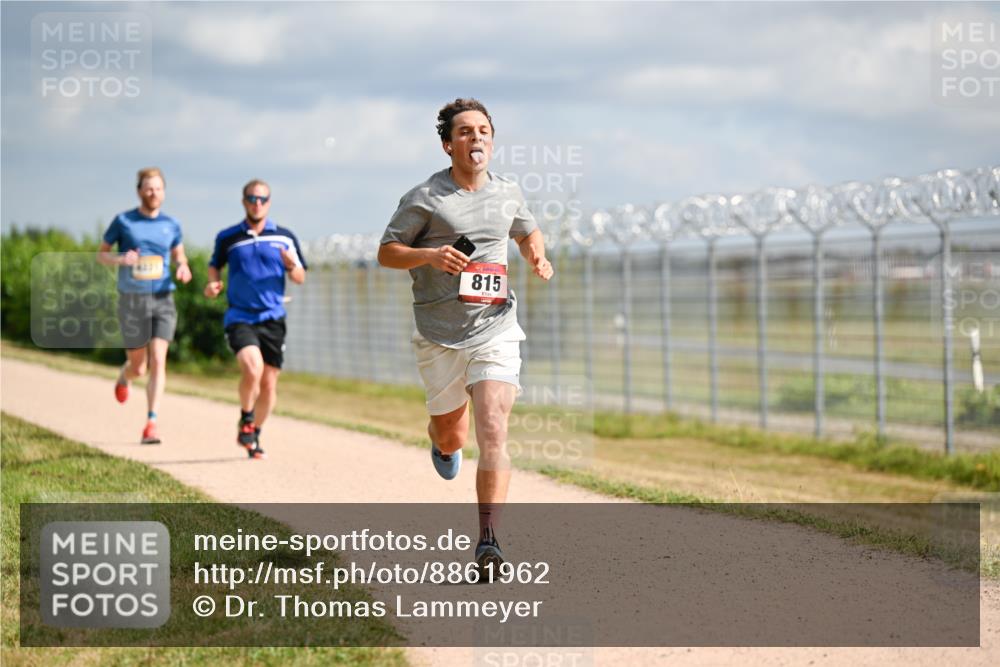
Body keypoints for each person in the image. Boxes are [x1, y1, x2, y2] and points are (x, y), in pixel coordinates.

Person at [378, 98, 553, 573]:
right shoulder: (425, 198)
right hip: (439, 332)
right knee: (452, 434)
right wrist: (430, 257)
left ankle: (489, 541)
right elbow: (387, 252)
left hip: (494, 325)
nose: (476, 138)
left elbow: (526, 231)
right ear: (447, 144)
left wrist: (536, 255)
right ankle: (441, 442)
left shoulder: (508, 192)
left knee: (493, 424)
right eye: (465, 132)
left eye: (483, 131)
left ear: (491, 141)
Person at [204, 179, 307, 459]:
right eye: (251, 198)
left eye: (262, 199)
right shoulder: (229, 237)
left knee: (269, 384)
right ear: (243, 201)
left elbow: (300, 277)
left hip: (273, 318)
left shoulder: (284, 237)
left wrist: (291, 266)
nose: (256, 203)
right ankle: (247, 416)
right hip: (240, 315)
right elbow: (214, 266)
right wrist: (214, 284)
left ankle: (253, 433)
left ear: (269, 202)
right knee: (252, 367)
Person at [98, 167, 192, 444]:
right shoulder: (124, 221)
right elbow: (101, 256)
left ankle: (151, 423)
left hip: (163, 297)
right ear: (139, 191)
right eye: (149, 188)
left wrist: (183, 268)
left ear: (164, 192)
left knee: (159, 360)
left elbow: (179, 256)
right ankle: (124, 375)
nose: (154, 193)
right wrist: (121, 260)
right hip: (132, 300)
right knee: (139, 367)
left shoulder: (172, 224)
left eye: (158, 188)